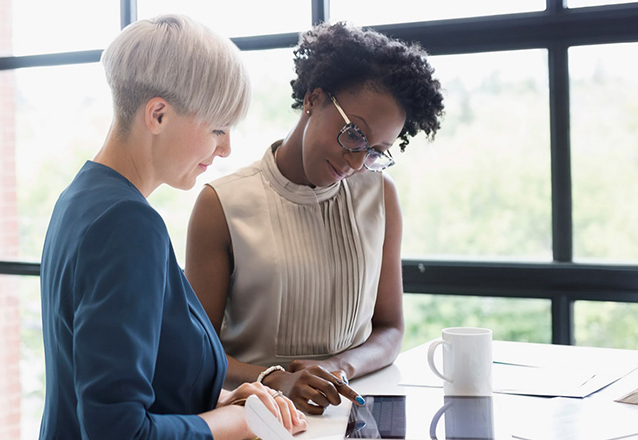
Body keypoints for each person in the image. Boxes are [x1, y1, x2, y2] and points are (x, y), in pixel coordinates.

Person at [39, 14, 308, 440]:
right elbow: (118, 431)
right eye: (218, 127)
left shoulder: (81, 197)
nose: (226, 148)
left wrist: (224, 402)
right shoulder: (127, 224)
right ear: (159, 115)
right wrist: (234, 423)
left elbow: (114, 385)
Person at [185, 21, 445, 415]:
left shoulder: (380, 195)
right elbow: (195, 356)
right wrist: (277, 379)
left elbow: (390, 329)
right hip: (258, 417)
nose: (358, 162)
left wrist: (337, 368)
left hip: (354, 412)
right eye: (355, 133)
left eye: (375, 151)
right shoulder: (221, 204)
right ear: (314, 99)